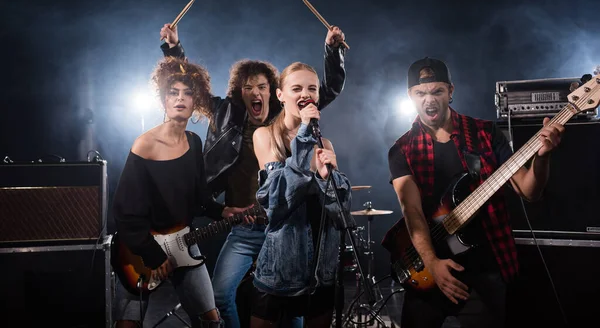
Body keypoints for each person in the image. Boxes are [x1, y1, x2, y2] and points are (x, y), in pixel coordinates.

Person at [158, 24, 347, 328]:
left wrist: (333, 50)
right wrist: (173, 49)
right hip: (244, 227)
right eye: (248, 87)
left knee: (291, 307)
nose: (254, 92)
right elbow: (195, 87)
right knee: (220, 297)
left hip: (283, 226)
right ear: (239, 92)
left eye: (261, 86)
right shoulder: (225, 114)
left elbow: (325, 90)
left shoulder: (285, 116)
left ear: (274, 91)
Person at [384, 57, 565, 328]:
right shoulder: (402, 149)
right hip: (433, 261)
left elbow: (530, 191)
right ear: (410, 95)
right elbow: (412, 211)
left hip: (490, 261)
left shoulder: (485, 133)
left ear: (451, 91)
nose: (429, 100)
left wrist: (542, 158)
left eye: (437, 91)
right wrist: (432, 263)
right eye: (420, 93)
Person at [112, 56, 251, 328]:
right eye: (173, 93)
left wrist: (222, 211)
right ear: (164, 100)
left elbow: (199, 198)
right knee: (128, 324)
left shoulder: (193, 141)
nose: (180, 99)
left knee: (212, 321)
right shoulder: (145, 145)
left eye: (188, 94)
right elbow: (124, 212)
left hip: (184, 243)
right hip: (140, 250)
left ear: (195, 101)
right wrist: (153, 254)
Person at [250, 62, 353, 327]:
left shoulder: (325, 144)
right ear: (280, 95)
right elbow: (279, 200)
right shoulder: (265, 136)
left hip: (323, 271)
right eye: (296, 88)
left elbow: (340, 212)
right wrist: (305, 131)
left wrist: (327, 178)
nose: (305, 94)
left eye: (311, 88)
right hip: (281, 271)